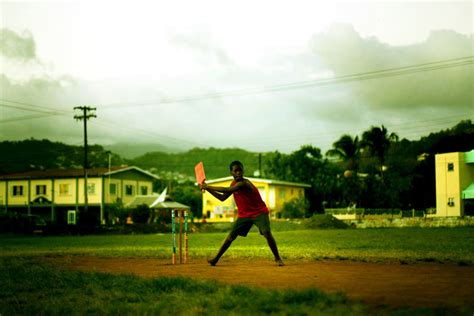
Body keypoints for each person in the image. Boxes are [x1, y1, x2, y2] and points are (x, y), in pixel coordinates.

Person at [199, 160, 284, 266]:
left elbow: (226, 189)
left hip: (259, 212)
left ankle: (277, 258)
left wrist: (208, 186)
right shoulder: (233, 183)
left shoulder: (244, 183)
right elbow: (222, 198)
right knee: (230, 237)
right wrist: (207, 189)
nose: (238, 172)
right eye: (236, 170)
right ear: (231, 173)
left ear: (243, 171)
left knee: (266, 233)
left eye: (240, 170)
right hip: (244, 215)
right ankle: (215, 259)